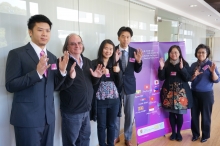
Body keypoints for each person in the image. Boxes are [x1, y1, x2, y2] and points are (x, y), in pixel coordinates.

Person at [5, 14, 70, 146]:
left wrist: (62, 72)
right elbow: (10, 85)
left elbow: (54, 87)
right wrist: (36, 73)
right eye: (40, 30)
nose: (44, 34)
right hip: (27, 119)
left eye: (47, 30)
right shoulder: (17, 54)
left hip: (48, 118)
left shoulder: (51, 57)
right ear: (30, 32)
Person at [56, 33, 103, 146]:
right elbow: (57, 86)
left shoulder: (87, 61)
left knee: (84, 140)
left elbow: (90, 84)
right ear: (67, 47)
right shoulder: (63, 62)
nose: (77, 46)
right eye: (73, 44)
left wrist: (96, 78)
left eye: (79, 43)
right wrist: (70, 78)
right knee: (71, 142)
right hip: (72, 112)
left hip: (86, 110)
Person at [114, 26, 143, 146]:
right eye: (123, 36)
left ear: (130, 39)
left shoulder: (134, 51)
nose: (125, 39)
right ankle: (115, 135)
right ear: (118, 37)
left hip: (130, 87)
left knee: (129, 114)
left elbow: (138, 70)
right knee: (115, 112)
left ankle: (127, 137)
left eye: (128, 37)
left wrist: (138, 61)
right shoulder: (113, 50)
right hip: (115, 86)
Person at [90, 39, 122, 146]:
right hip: (100, 101)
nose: (108, 51)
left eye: (110, 49)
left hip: (114, 101)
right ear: (101, 49)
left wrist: (117, 73)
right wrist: (100, 75)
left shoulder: (115, 64)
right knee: (101, 126)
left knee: (112, 125)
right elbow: (92, 83)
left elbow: (120, 84)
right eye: (106, 48)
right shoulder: (94, 63)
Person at [158, 45, 193, 141]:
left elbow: (188, 78)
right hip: (169, 93)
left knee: (180, 114)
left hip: (181, 94)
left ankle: (178, 133)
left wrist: (182, 69)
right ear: (169, 54)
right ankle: (173, 132)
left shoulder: (184, 64)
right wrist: (161, 68)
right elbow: (161, 78)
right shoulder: (166, 64)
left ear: (179, 53)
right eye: (172, 52)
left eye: (176, 52)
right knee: (172, 114)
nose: (174, 54)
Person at [190, 44, 220, 143]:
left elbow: (216, 80)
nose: (201, 54)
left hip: (207, 94)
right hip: (194, 93)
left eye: (203, 52)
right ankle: (195, 134)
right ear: (196, 53)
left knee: (206, 116)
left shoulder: (211, 64)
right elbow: (189, 79)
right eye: (199, 52)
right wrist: (194, 75)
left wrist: (212, 72)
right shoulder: (194, 65)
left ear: (207, 54)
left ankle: (205, 135)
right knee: (194, 115)